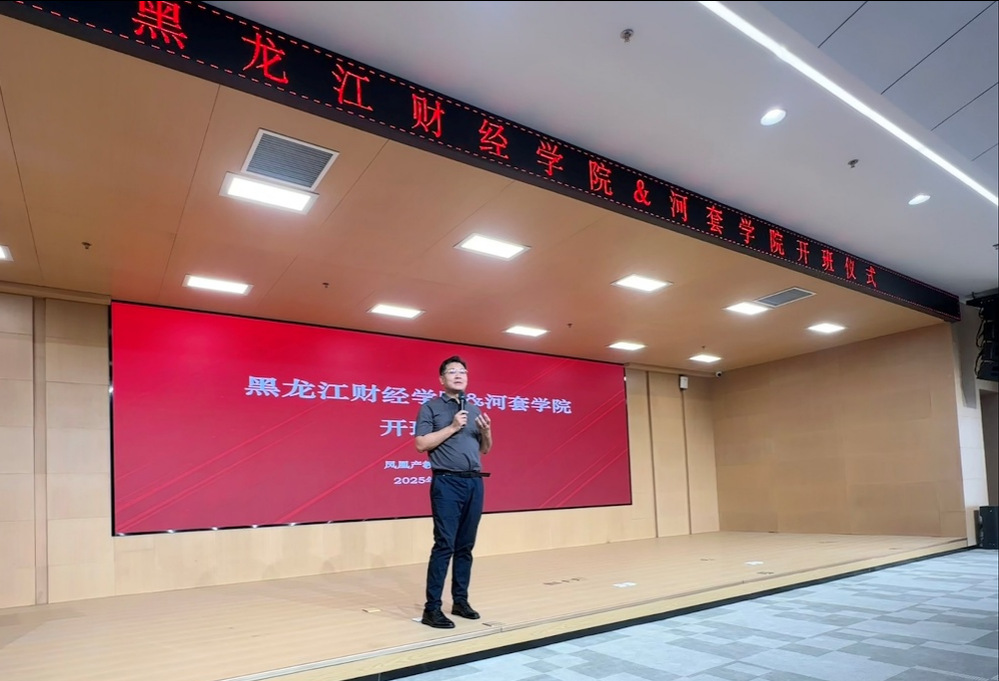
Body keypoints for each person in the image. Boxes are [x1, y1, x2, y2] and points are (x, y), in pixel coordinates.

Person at [414, 355, 493, 628]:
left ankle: (460, 601)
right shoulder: (430, 408)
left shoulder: (473, 408)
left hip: (474, 482)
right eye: (452, 372)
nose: (459, 375)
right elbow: (421, 444)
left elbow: (485, 449)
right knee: (444, 544)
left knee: (465, 546)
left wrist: (487, 431)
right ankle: (432, 609)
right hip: (447, 482)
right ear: (441, 379)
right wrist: (452, 427)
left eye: (463, 372)